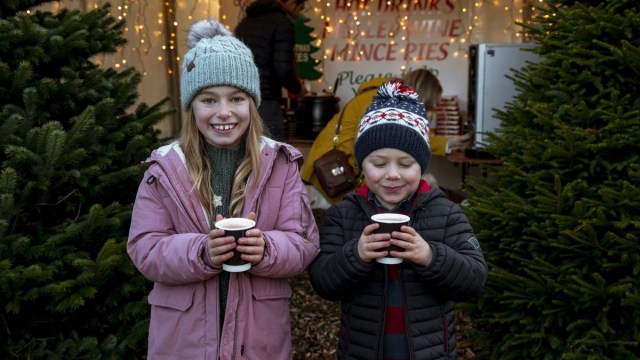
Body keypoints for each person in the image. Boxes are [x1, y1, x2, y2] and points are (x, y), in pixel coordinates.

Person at [127, 19, 320, 359]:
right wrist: (200, 251)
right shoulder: (167, 168)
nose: (224, 112)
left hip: (259, 338)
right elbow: (145, 247)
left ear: (252, 103)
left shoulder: (279, 164)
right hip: (183, 340)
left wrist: (266, 248)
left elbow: (303, 240)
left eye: (236, 98)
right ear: (191, 107)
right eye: (208, 100)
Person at [308, 81, 487, 359]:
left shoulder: (445, 213)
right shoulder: (344, 214)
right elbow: (322, 281)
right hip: (361, 350)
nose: (393, 174)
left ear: (421, 165)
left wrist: (429, 255)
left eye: (406, 164)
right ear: (360, 165)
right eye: (379, 164)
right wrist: (356, 254)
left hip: (431, 352)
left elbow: (474, 279)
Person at [300, 68, 471, 204]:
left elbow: (405, 136)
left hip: (338, 171)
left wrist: (449, 142)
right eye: (426, 105)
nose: (426, 110)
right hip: (330, 175)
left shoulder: (388, 98)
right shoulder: (380, 100)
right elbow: (394, 140)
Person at [235, 0, 307, 141]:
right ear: (292, 3)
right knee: (271, 155)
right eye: (301, 8)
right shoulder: (282, 23)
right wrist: (298, 89)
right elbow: (283, 69)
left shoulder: (244, 23)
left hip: (240, 101)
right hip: (266, 102)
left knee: (245, 155)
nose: (299, 15)